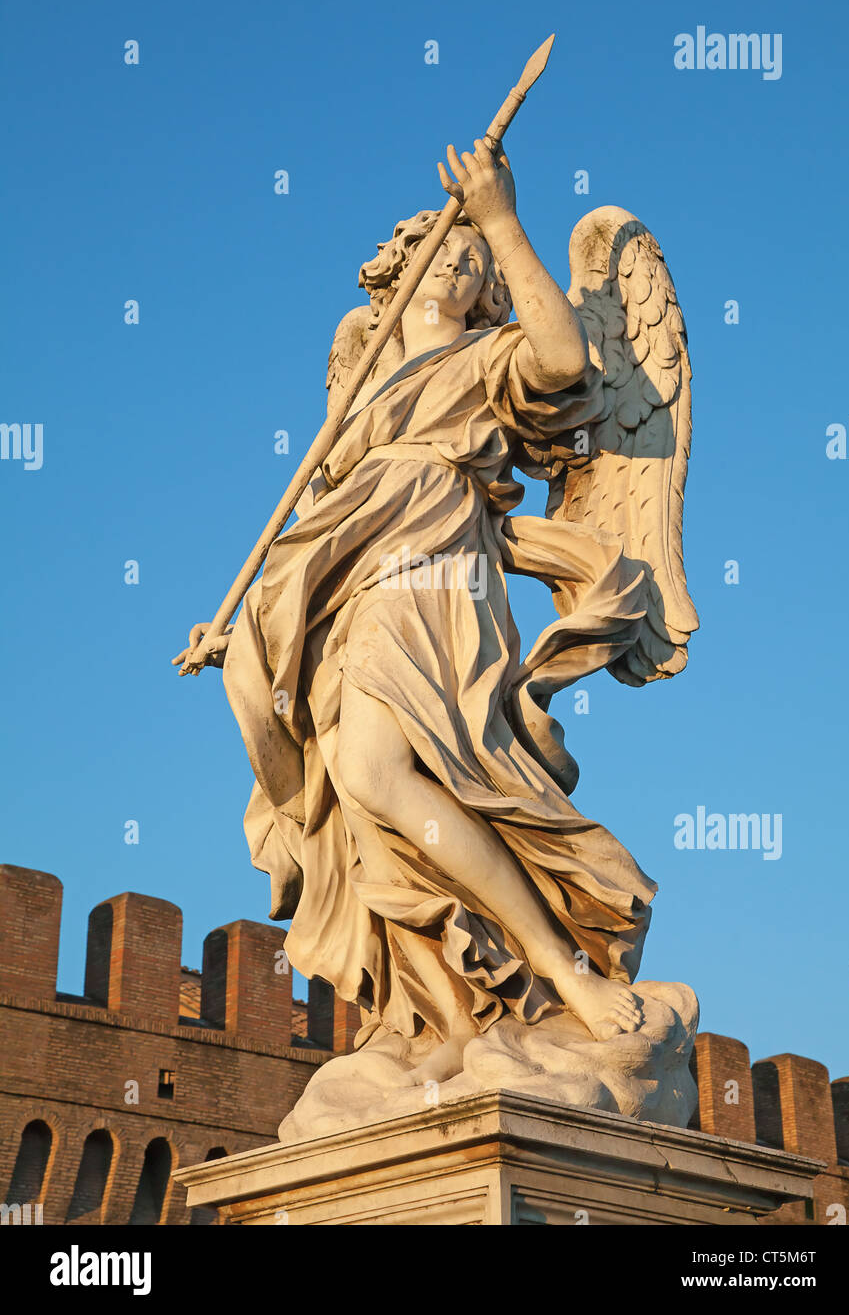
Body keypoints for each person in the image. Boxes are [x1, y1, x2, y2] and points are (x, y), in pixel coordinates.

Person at [174, 140, 656, 1082]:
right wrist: (251, 628)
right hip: (341, 580)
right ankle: (439, 1005)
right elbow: (319, 513)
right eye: (444, 248)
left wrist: (503, 219)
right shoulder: (360, 390)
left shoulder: (489, 357)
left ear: (488, 293)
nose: (458, 257)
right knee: (361, 793)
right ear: (398, 274)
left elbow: (563, 358)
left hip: (433, 564)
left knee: (383, 770)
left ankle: (563, 973)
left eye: (473, 259)